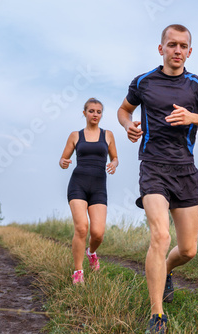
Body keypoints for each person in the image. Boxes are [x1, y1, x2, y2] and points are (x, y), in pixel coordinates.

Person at [117, 24, 198, 333]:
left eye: (183, 46)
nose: (177, 50)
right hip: (153, 166)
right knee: (160, 236)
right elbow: (123, 110)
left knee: (188, 249)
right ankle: (157, 315)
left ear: (189, 52)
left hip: (185, 170)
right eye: (171, 45)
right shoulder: (143, 82)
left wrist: (193, 116)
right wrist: (128, 125)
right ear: (161, 49)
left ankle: (165, 270)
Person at [60, 98, 119, 284]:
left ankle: (91, 252)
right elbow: (63, 160)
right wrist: (63, 163)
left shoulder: (108, 135)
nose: (95, 114)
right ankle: (78, 272)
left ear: (101, 115)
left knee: (98, 233)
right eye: (91, 111)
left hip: (99, 187)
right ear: (84, 113)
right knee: (81, 228)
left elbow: (115, 157)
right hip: (78, 184)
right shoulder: (75, 136)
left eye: (99, 111)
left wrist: (114, 163)